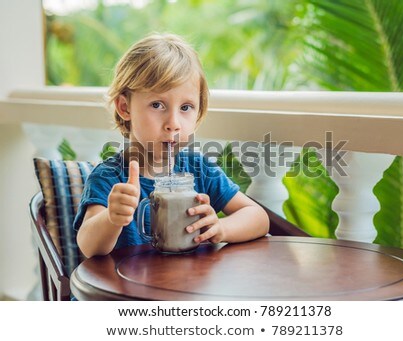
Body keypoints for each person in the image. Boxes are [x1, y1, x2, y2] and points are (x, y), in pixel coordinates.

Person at [74, 33, 270, 258]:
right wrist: (111, 218)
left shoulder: (199, 170)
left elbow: (258, 216)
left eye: (186, 108)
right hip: (123, 291)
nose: (173, 124)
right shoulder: (109, 176)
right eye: (157, 105)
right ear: (125, 108)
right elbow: (88, 246)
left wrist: (222, 228)